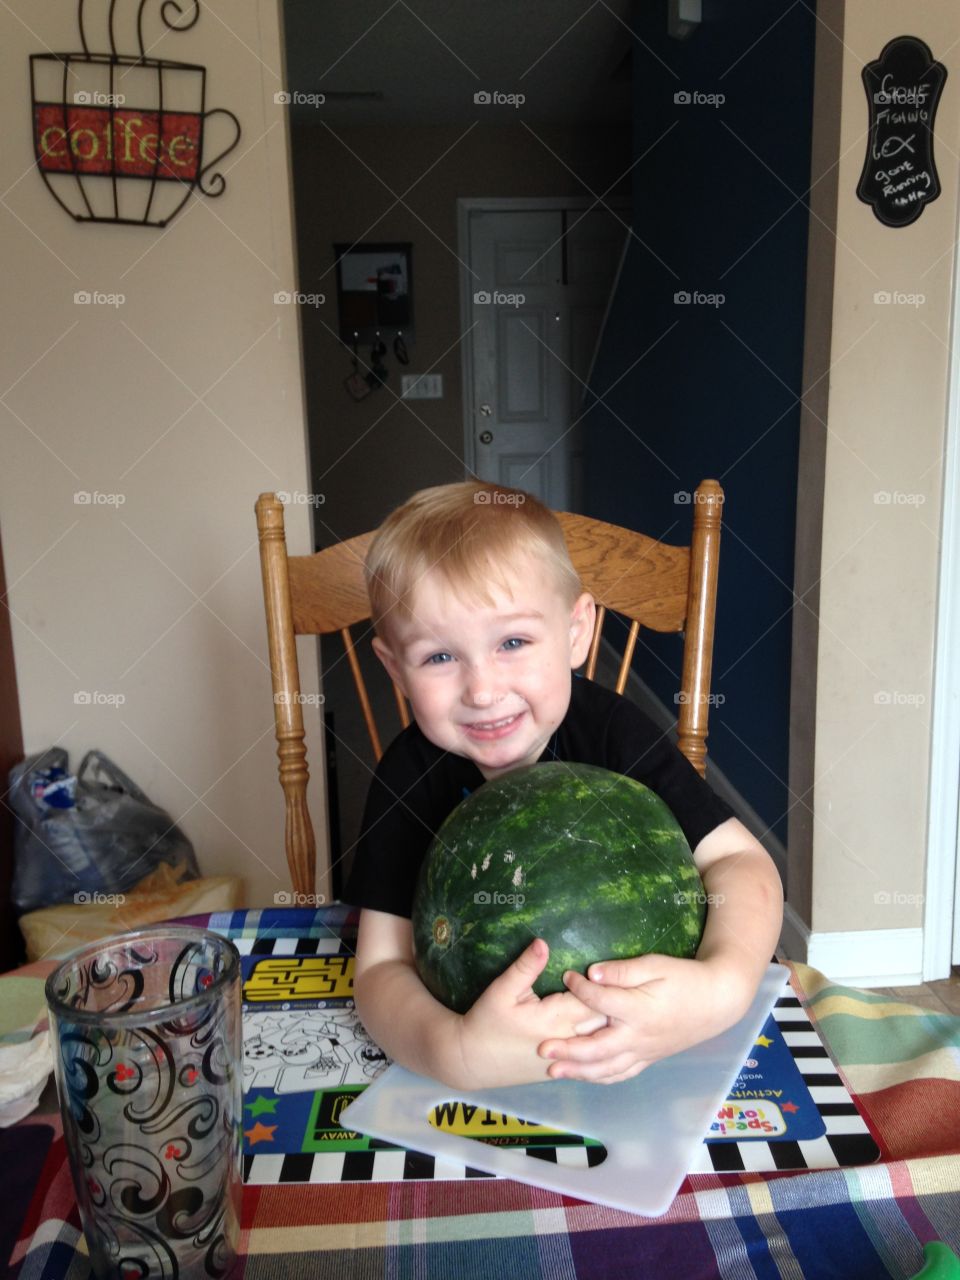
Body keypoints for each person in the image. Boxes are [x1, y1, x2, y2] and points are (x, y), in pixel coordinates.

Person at [344, 480, 783, 1091]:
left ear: (577, 632)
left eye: (513, 642)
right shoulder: (408, 773)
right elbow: (381, 969)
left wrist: (722, 987)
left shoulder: (612, 734)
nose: (483, 690)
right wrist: (455, 1054)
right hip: (495, 1063)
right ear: (395, 668)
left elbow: (740, 861)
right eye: (440, 658)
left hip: (639, 1052)